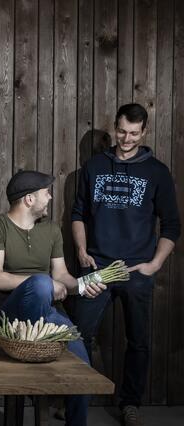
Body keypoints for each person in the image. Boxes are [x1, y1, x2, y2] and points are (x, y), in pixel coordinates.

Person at [71, 103, 180, 426]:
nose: (127, 138)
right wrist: (80, 250)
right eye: (121, 131)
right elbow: (79, 214)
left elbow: (172, 225)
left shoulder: (157, 172)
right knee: (79, 336)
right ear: (114, 127)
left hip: (136, 271)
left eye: (134, 133)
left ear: (144, 132)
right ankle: (78, 401)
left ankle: (130, 403)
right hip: (97, 267)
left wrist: (154, 264)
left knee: (139, 341)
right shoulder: (94, 166)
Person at [0, 170, 105, 426]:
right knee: (39, 282)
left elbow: (62, 275)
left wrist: (83, 285)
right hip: (14, 316)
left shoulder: (51, 231)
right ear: (29, 199)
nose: (49, 197)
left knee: (83, 370)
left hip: (49, 317)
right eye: (46, 193)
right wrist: (47, 283)